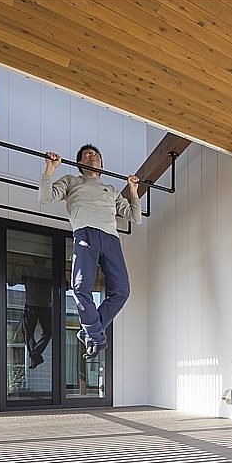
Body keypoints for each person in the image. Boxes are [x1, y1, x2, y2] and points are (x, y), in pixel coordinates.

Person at [38, 144, 142, 359]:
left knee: (122, 291)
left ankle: (90, 332)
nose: (92, 156)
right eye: (87, 154)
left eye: (96, 154)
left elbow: (135, 217)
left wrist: (133, 190)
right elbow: (45, 197)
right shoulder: (71, 181)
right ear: (80, 163)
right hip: (85, 233)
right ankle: (95, 335)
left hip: (111, 238)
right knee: (80, 287)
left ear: (101, 164)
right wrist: (50, 169)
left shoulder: (111, 190)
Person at [9, 253, 53, 369]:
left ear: (33, 260)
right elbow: (66, 286)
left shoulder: (28, 270)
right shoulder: (50, 273)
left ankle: (35, 354)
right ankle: (35, 354)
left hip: (31, 306)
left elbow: (12, 282)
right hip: (45, 306)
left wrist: (13, 268)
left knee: (28, 334)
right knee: (48, 332)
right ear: (46, 261)